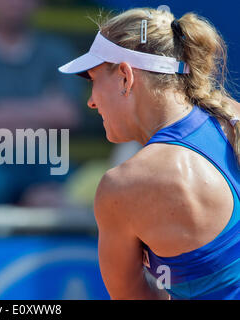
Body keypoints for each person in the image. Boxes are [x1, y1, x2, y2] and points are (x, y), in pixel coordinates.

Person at [59, 8, 239, 299]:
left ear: (125, 77)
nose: (91, 101)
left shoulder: (125, 185)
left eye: (93, 80)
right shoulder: (232, 116)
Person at [0, 0, 82, 205]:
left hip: (46, 160)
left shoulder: (57, 51)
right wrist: (44, 109)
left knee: (79, 191)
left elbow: (68, 116)